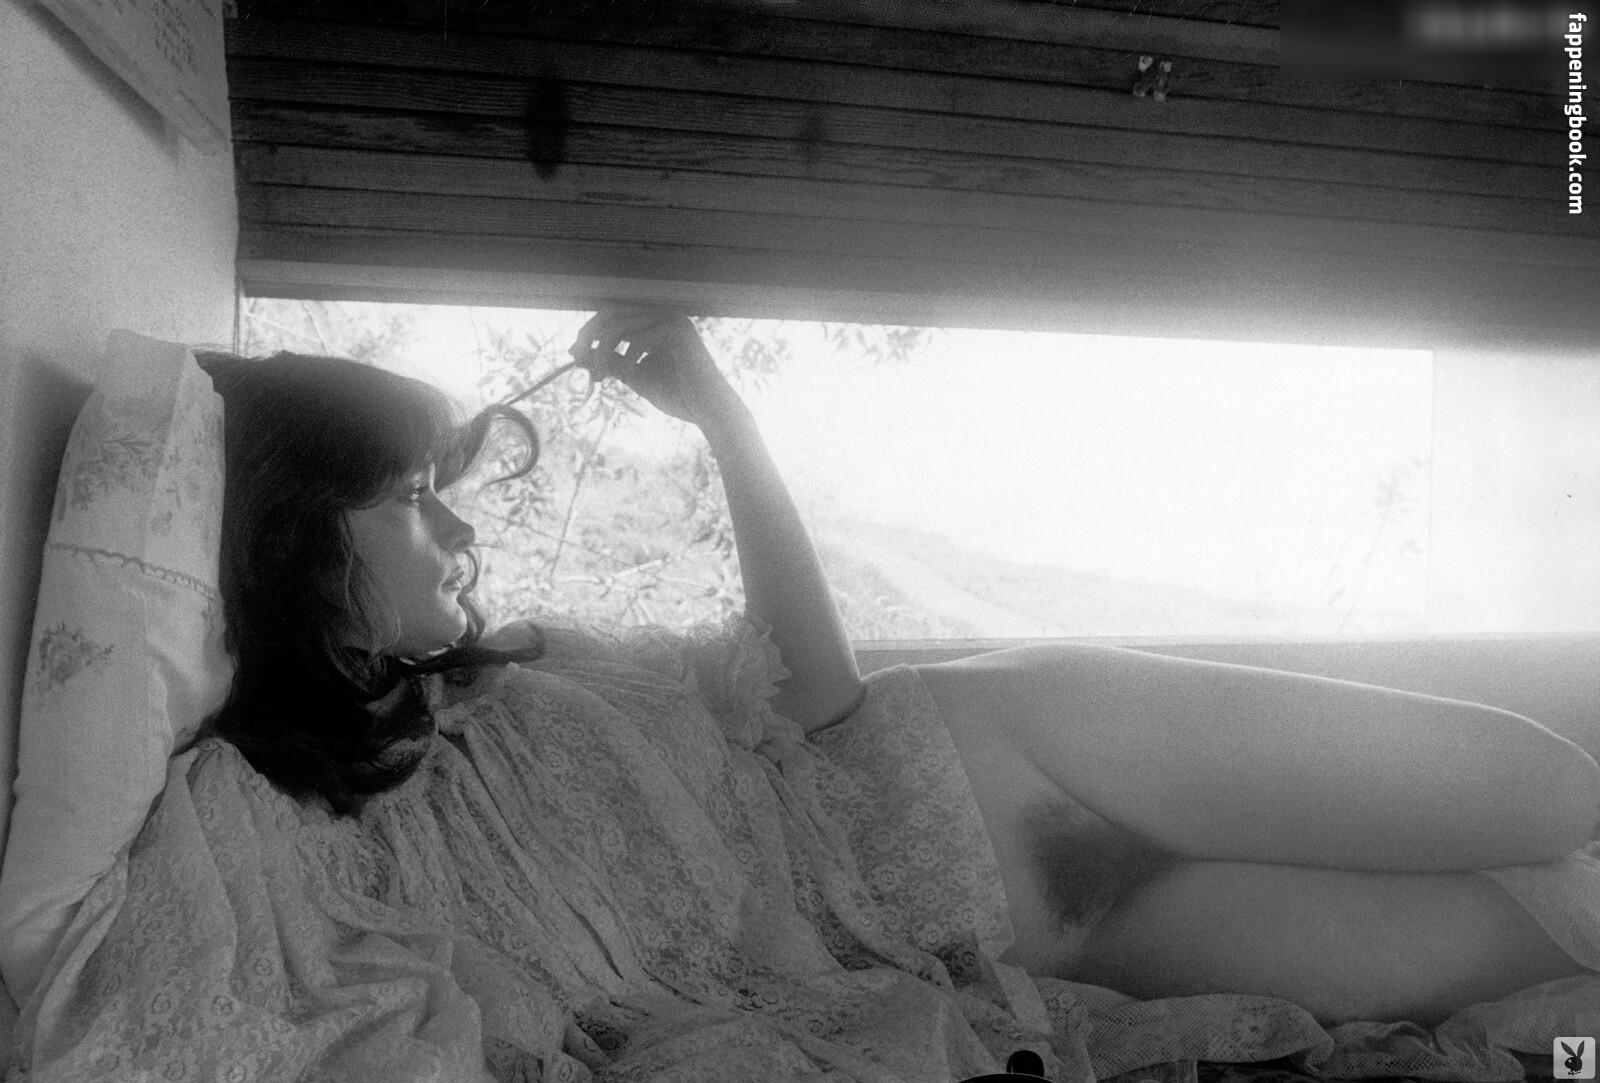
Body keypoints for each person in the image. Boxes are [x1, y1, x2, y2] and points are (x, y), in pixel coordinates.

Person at [195, 309, 1599, 1044]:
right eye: (410, 499)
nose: (461, 530)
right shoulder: (308, 820)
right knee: (1551, 948)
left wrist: (722, 418)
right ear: (295, 537)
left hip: (1023, 746)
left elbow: (811, 694)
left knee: (1552, 795)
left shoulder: (529, 668)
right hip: (1026, 951)